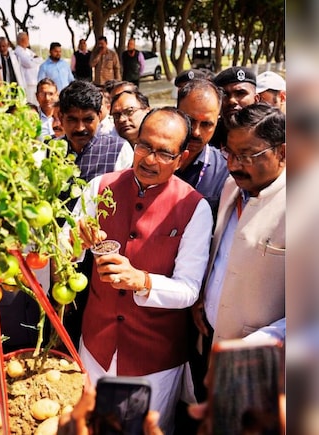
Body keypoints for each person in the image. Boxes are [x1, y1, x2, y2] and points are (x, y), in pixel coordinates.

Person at [75, 107, 213, 432]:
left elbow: (189, 289)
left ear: (181, 158)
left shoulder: (195, 209)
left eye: (164, 153)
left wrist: (141, 280)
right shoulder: (98, 187)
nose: (150, 160)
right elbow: (64, 257)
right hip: (96, 349)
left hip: (155, 361)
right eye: (145, 146)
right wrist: (74, 244)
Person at [191, 103, 285, 354]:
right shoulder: (232, 188)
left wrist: (250, 347)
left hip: (259, 363)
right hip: (209, 339)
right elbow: (222, 256)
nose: (232, 165)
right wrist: (204, 299)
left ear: (283, 153)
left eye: (245, 156)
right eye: (229, 153)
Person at [175, 79, 230, 219]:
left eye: (206, 124)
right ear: (177, 112)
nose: (196, 132)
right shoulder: (152, 158)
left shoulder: (225, 173)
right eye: (190, 120)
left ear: (217, 121)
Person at [58, 80, 133, 182]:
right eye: (72, 120)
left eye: (88, 119)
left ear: (99, 116)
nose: (80, 128)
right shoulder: (50, 150)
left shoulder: (118, 149)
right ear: (61, 118)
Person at [13, 32, 44, 106]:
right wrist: (34, 59)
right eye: (27, 39)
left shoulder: (27, 51)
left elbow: (40, 59)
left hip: (34, 82)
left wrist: (33, 59)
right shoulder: (18, 51)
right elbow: (29, 64)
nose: (28, 41)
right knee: (30, 104)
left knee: (37, 103)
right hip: (27, 83)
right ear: (22, 40)